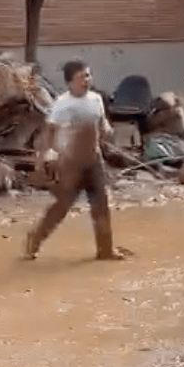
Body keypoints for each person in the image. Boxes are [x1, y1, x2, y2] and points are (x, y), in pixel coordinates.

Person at [24, 59, 124, 261]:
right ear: (70, 83)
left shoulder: (96, 99)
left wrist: (107, 131)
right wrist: (45, 157)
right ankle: (34, 240)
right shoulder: (62, 104)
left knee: (101, 206)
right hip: (71, 165)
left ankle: (105, 250)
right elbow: (49, 132)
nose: (86, 80)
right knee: (61, 207)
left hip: (94, 161)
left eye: (88, 75)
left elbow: (102, 124)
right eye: (81, 77)